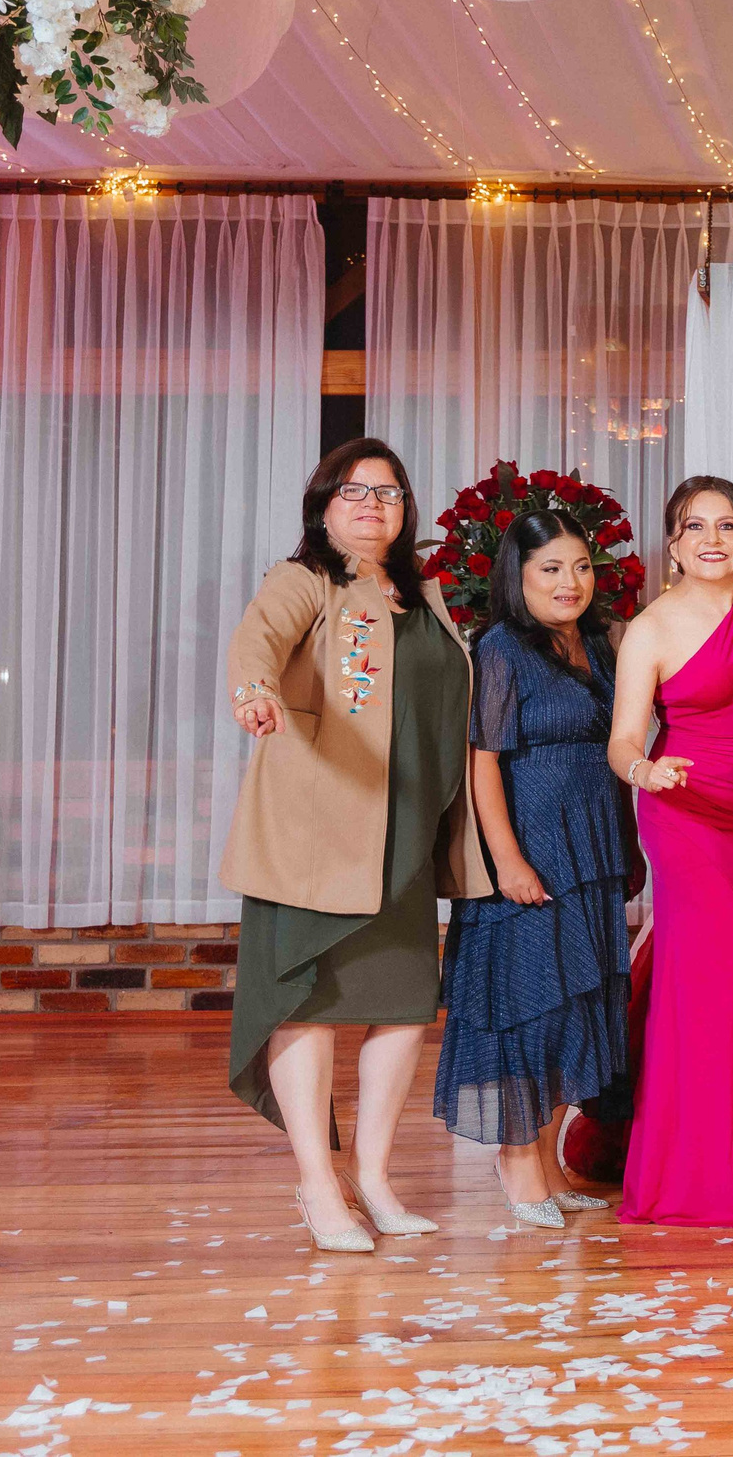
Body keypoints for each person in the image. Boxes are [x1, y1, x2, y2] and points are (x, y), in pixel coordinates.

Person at [222, 437, 492, 1254]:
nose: (372, 503)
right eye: (354, 490)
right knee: (306, 1002)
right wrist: (255, 690)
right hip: (317, 832)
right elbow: (257, 642)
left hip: (404, 831)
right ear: (324, 505)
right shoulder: (305, 579)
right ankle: (317, 1182)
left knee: (405, 1004)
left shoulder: (428, 594)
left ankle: (372, 1175)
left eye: (389, 491)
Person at [434, 510, 635, 1229]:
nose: (570, 581)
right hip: (532, 849)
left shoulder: (599, 645)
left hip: (593, 847)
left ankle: (548, 1160)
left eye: (581, 566)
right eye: (551, 568)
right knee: (527, 1004)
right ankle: (517, 1164)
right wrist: (508, 859)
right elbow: (482, 761)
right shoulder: (500, 647)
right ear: (518, 579)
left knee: (575, 1007)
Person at [607, 477, 733, 1227]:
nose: (712, 538)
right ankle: (687, 1174)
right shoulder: (650, 626)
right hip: (680, 812)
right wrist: (643, 768)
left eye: (728, 524)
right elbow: (621, 738)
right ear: (673, 543)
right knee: (726, 977)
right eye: (695, 526)